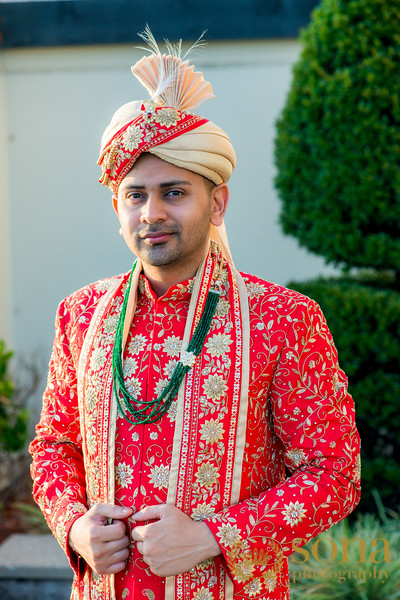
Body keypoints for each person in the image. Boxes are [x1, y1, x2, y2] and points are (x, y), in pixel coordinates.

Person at [30, 28, 360, 600]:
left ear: (218, 201)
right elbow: (54, 446)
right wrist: (74, 524)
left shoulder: (283, 317)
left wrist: (214, 536)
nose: (152, 213)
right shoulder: (80, 316)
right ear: (118, 207)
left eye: (174, 192)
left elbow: (334, 473)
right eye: (136, 195)